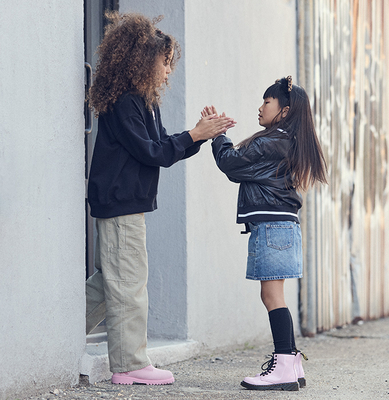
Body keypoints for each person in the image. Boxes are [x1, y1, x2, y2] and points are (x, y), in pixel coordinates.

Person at [85, 12, 235, 386]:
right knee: (130, 286)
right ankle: (129, 364)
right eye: (165, 63)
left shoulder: (144, 102)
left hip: (127, 204)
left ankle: (52, 330)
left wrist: (199, 135)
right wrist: (193, 133)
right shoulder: (124, 102)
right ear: (143, 59)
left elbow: (164, 149)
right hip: (120, 204)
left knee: (112, 283)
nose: (169, 72)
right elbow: (151, 152)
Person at [207, 76, 327, 391]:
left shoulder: (271, 141)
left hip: (273, 228)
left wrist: (216, 133)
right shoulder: (284, 141)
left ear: (284, 110)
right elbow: (240, 170)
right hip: (280, 227)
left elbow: (231, 164)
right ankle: (290, 362)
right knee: (273, 297)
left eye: (266, 101)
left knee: (272, 297)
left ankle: (285, 364)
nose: (260, 107)